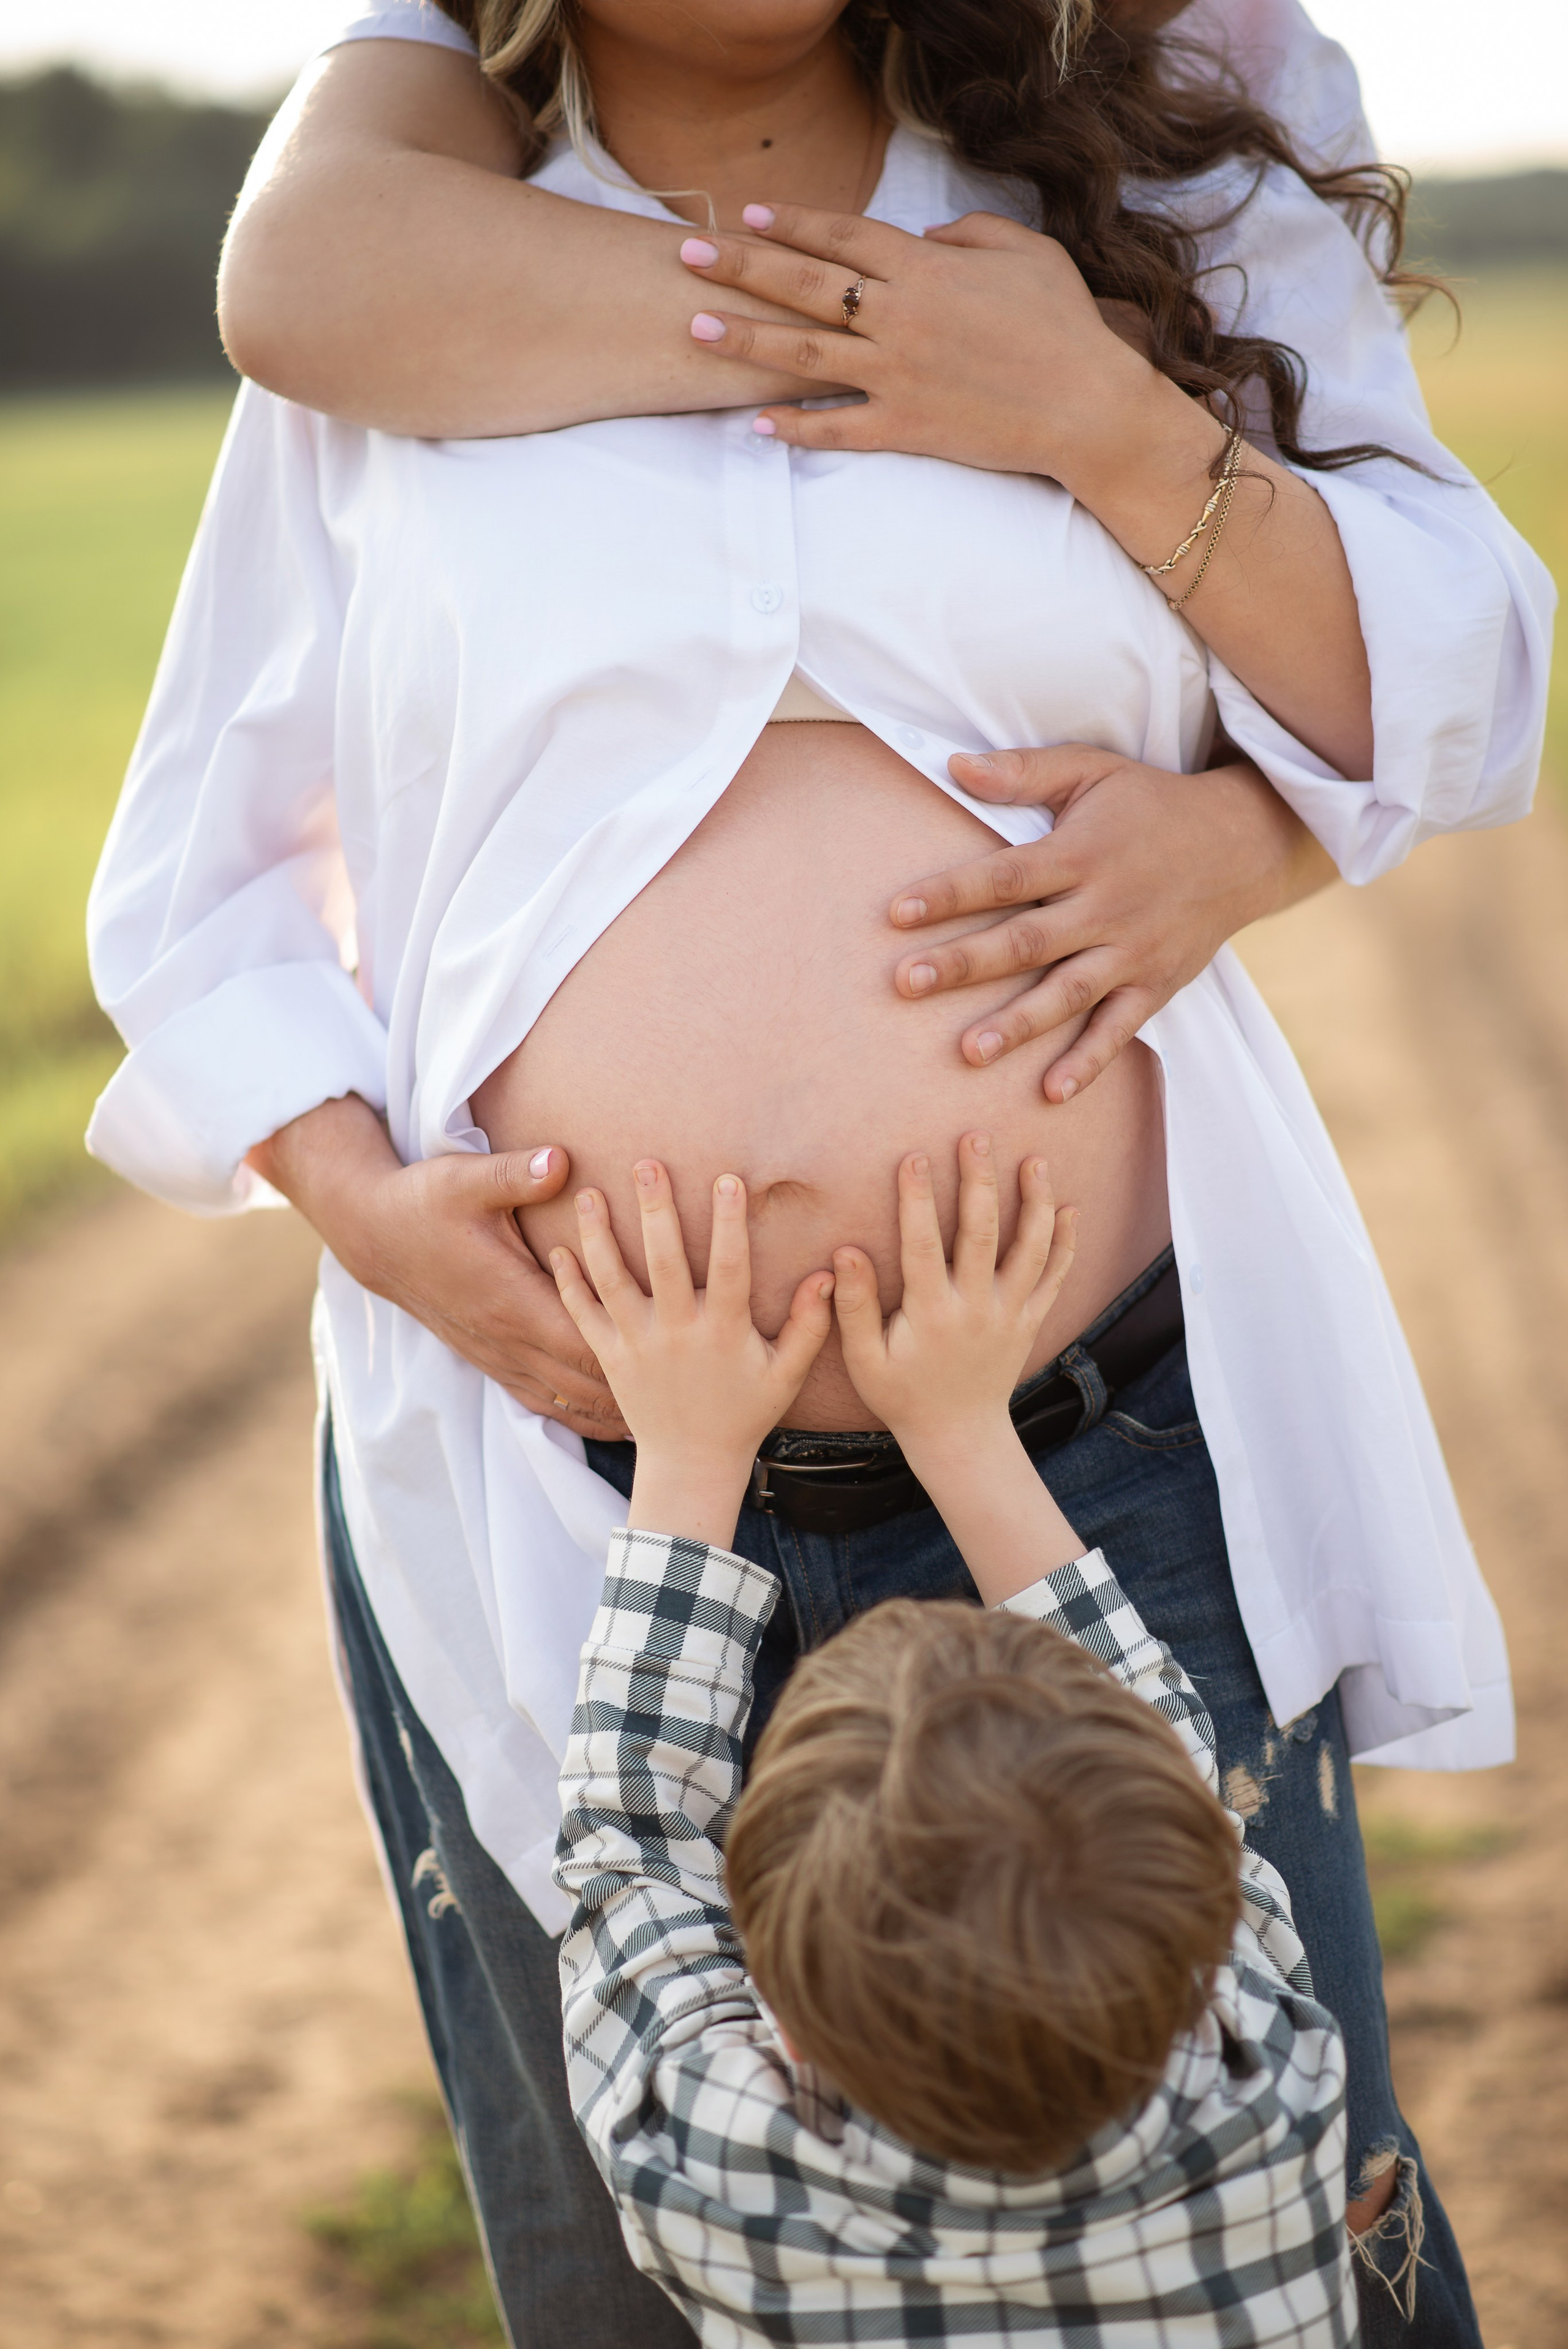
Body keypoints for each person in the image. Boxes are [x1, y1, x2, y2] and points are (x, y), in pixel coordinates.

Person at [84, 0, 1553, 2342]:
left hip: (1109, 1446)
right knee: (646, 2253)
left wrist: (1110, 457)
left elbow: (1467, 667)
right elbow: (209, 873)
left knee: (1260, 2218)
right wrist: (363, 1203)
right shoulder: (414, 265)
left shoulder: (1149, 152)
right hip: (562, 1470)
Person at [548, 1136, 1362, 2343]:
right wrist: (968, 1434)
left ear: (776, 2008)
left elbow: (631, 1842)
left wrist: (687, 1451)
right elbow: (629, 1846)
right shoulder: (1270, 2084)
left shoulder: (719, 2177)